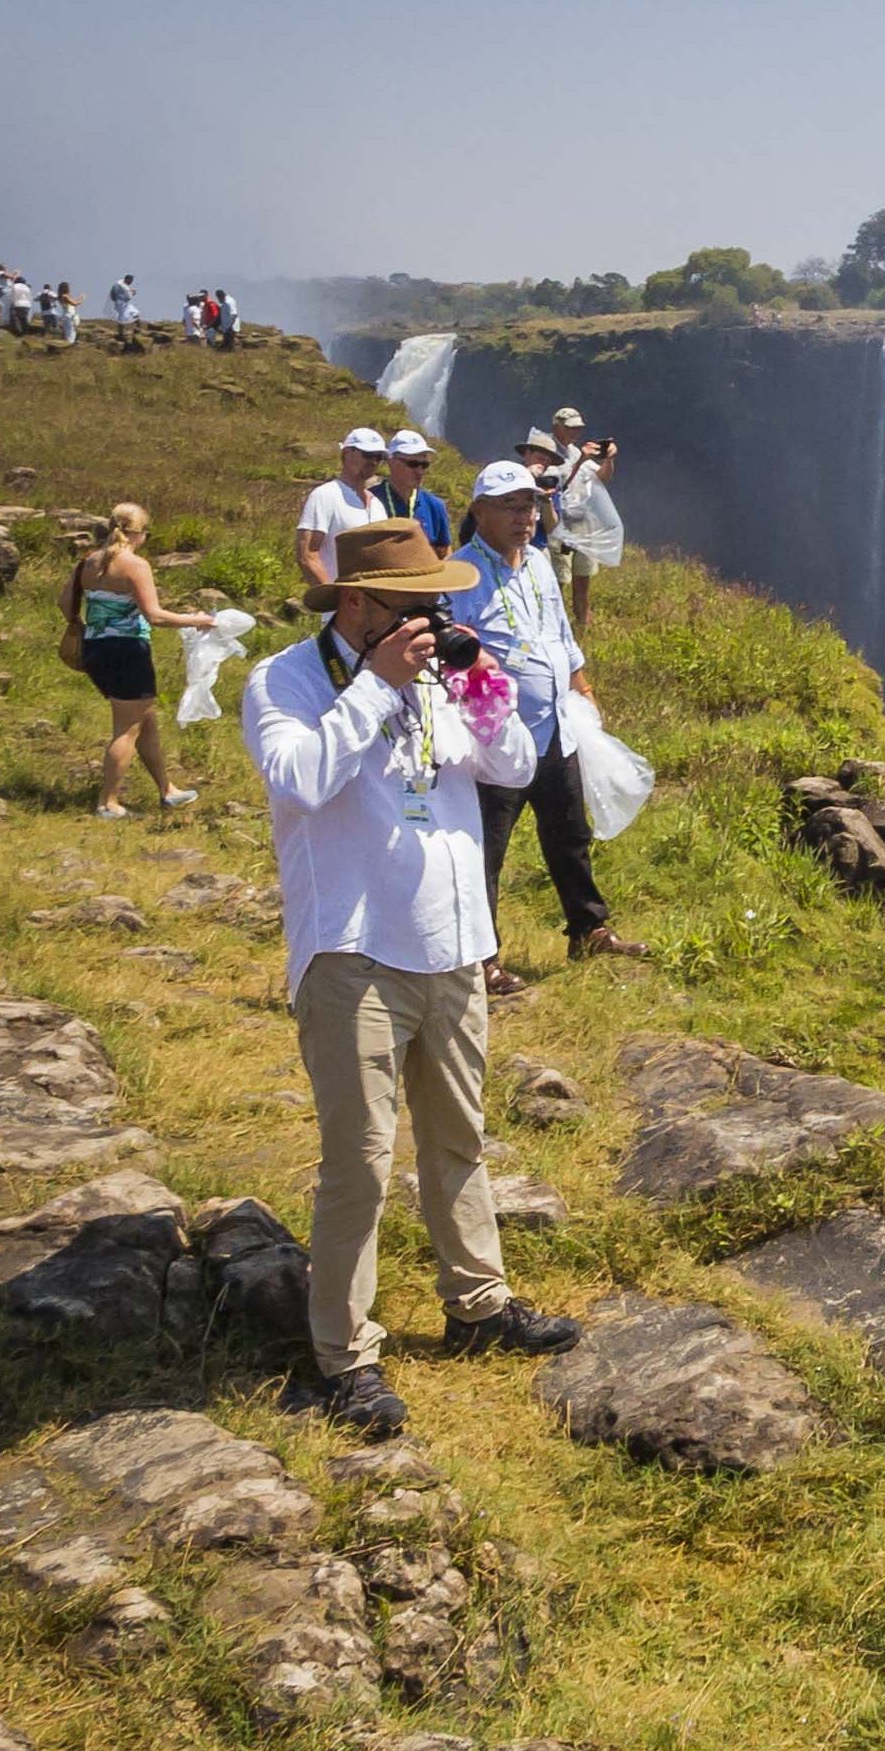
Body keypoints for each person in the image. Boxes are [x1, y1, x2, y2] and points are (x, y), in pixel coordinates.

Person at [239, 518, 581, 1439]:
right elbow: (298, 778)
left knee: (460, 1137)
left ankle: (478, 1306)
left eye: (439, 604)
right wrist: (375, 687)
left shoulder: (440, 672)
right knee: (358, 1161)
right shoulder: (287, 680)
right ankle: (343, 1357)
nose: (432, 620)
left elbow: (512, 761)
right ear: (357, 604)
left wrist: (473, 678)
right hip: (353, 947)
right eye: (413, 607)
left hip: (453, 943)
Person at [455, 461, 651, 994]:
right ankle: (481, 959)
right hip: (494, 739)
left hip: (554, 729)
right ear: (480, 512)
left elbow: (560, 635)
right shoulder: (459, 575)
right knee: (485, 850)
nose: (525, 517)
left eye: (530, 505)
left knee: (570, 835)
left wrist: (582, 687)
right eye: (511, 506)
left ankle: (589, 928)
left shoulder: (540, 562)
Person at [61, 504, 208, 818]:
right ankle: (108, 802)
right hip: (127, 651)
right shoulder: (134, 565)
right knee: (127, 728)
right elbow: (154, 615)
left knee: (145, 721)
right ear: (137, 533)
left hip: (95, 650)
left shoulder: (87, 563)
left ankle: (167, 790)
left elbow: (65, 605)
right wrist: (194, 619)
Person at [541, 409, 624, 636]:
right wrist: (581, 460)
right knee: (557, 580)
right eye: (570, 427)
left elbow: (603, 478)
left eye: (577, 427)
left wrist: (609, 458)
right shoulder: (546, 451)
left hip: (584, 524)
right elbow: (556, 484)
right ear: (557, 426)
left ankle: (583, 630)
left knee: (582, 582)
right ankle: (549, 628)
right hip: (559, 524)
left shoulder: (576, 452)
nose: (575, 432)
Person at [299, 428, 389, 593]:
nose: (374, 462)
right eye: (368, 455)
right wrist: (335, 599)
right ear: (347, 453)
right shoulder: (325, 496)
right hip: (341, 611)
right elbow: (307, 555)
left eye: (379, 457)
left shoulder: (377, 505)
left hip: (375, 608)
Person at [377, 431, 454, 552]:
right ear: (391, 462)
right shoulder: (371, 501)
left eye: (424, 465)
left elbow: (445, 552)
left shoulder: (435, 505)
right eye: (413, 464)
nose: (420, 471)